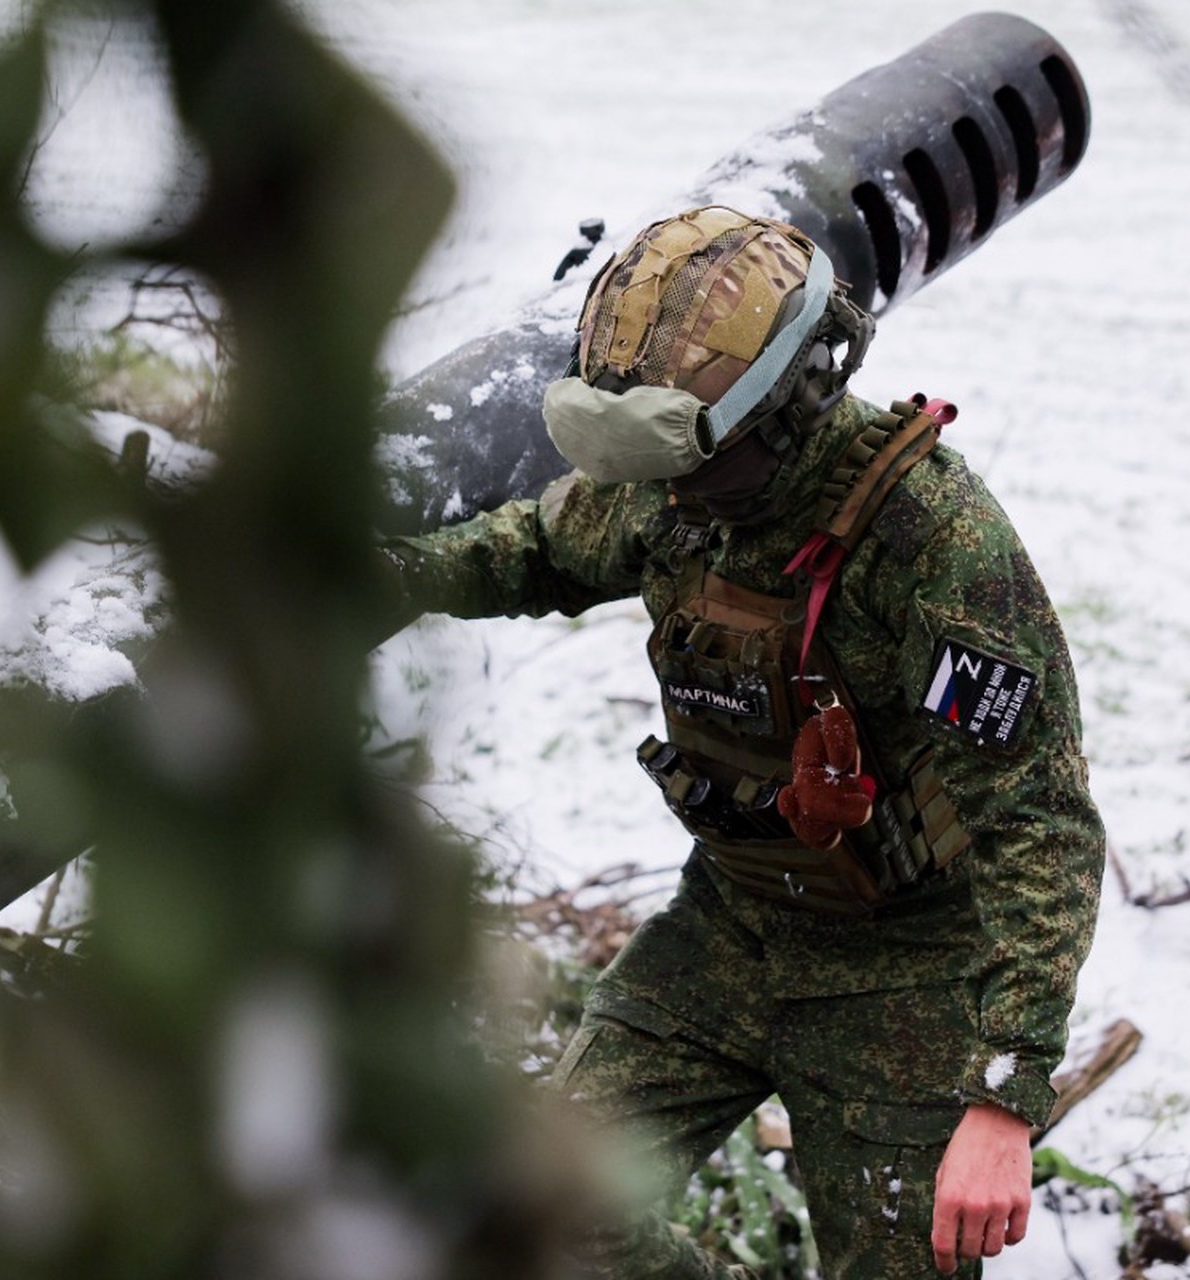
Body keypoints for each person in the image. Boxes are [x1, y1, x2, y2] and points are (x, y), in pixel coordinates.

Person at [379, 205, 1104, 1279]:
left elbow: (1040, 823)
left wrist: (1006, 1094)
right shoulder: (678, 495)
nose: (665, 495)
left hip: (904, 972)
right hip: (731, 926)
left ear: (790, 407)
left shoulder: (933, 543)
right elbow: (540, 547)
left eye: (686, 465)